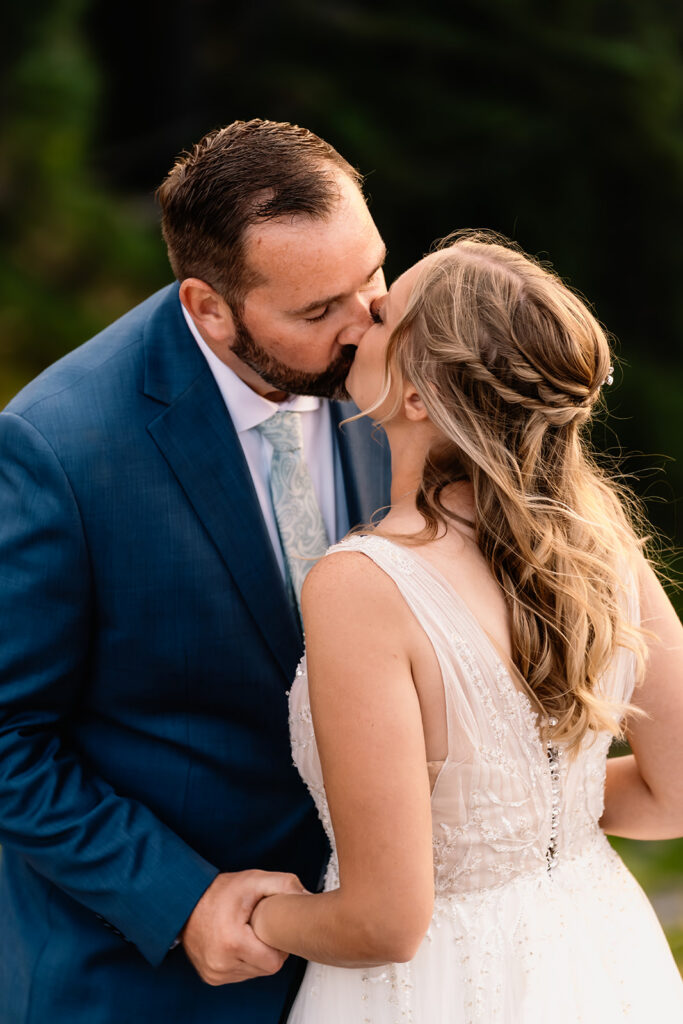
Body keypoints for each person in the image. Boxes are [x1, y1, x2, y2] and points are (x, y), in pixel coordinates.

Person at [0, 120, 390, 1024]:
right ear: (209, 307)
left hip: (384, 966)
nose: (368, 321)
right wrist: (178, 899)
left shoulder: (397, 368)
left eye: (372, 273)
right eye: (316, 309)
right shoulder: (57, 448)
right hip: (155, 979)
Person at [248, 230, 683, 1022]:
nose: (359, 320)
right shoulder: (601, 543)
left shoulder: (362, 586)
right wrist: (532, 820)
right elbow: (675, 792)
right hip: (601, 959)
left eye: (382, 317)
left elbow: (385, 922)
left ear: (417, 396)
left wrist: (253, 913)